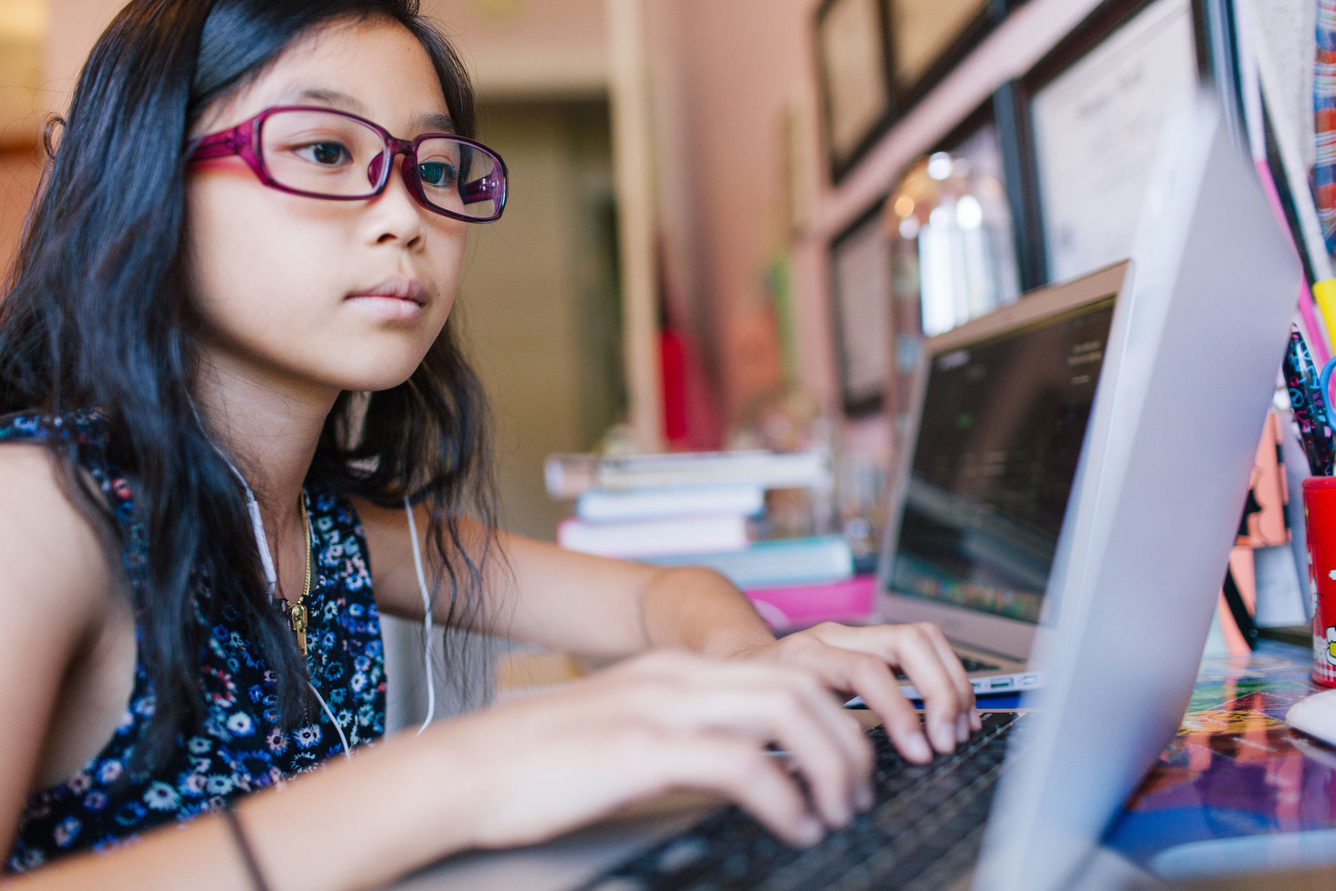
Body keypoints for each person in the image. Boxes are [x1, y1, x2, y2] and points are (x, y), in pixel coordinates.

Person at [0, 1, 978, 887]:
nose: (406, 217)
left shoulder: (332, 531)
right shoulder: (40, 510)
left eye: (433, 170)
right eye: (325, 151)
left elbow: (659, 596)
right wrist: (453, 778)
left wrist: (748, 663)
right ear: (142, 174)